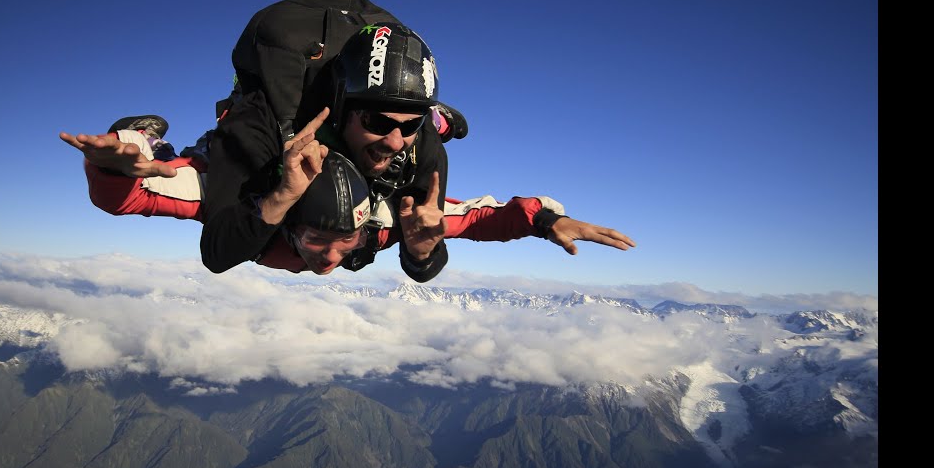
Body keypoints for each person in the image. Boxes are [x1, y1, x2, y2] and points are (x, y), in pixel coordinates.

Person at [58, 116, 636, 275]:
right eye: (317, 240)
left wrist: (547, 221)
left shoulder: (387, 219)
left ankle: (431, 121)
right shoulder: (241, 203)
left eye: (345, 242)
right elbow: (132, 196)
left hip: (360, 156)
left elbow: (480, 217)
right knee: (196, 156)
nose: (331, 260)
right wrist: (115, 163)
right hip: (249, 158)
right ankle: (147, 132)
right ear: (290, 223)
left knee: (410, 142)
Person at [198, 21, 455, 282]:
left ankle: (438, 119)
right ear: (343, 108)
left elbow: (425, 263)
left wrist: (421, 253)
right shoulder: (260, 120)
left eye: (411, 124)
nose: (395, 143)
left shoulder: (423, 140)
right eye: (378, 122)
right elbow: (216, 254)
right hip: (288, 114)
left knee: (437, 129)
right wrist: (283, 194)